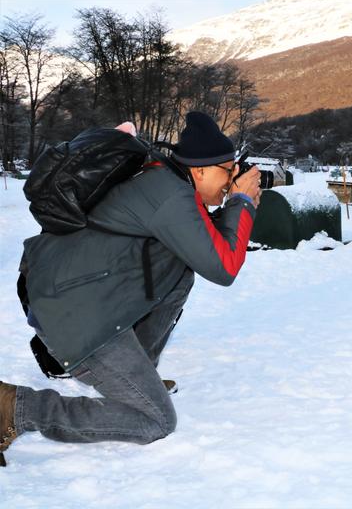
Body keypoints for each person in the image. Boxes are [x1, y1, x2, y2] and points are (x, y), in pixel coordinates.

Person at [0, 111, 262, 466]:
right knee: (155, 420)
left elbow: (206, 249)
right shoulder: (170, 196)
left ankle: (139, 372)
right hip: (75, 312)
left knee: (181, 270)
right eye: (227, 171)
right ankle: (17, 408)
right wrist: (242, 202)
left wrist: (235, 201)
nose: (232, 179)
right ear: (200, 170)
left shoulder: (167, 180)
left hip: (79, 293)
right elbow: (224, 266)